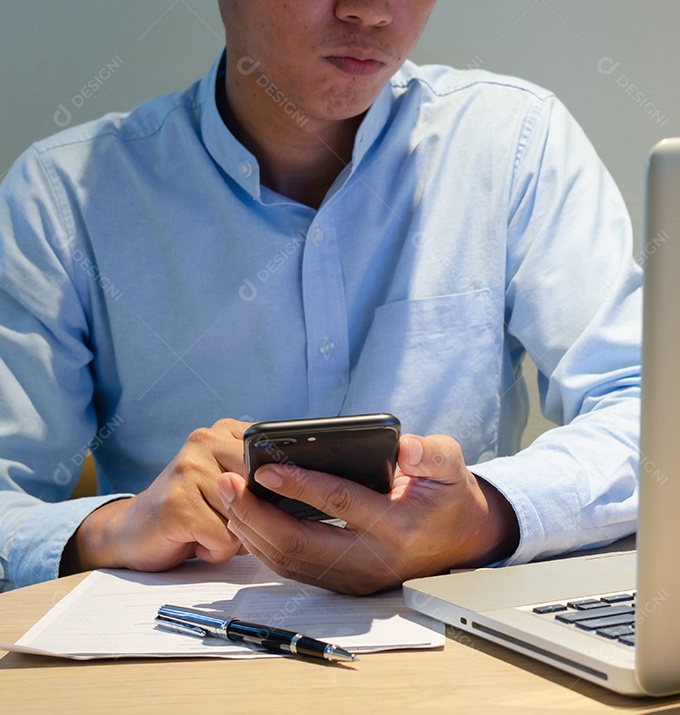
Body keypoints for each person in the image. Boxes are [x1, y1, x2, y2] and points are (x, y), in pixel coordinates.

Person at [0, 0, 641, 595]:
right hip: (185, 657)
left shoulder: (514, 144)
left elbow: (652, 409)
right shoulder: (63, 200)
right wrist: (110, 530)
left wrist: (486, 515)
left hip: (462, 640)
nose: (371, 9)